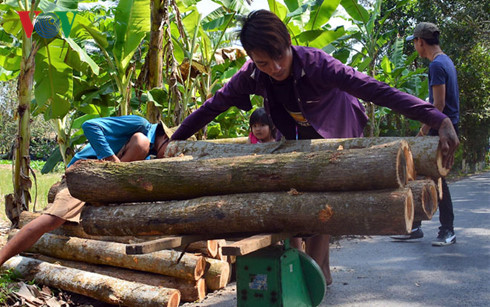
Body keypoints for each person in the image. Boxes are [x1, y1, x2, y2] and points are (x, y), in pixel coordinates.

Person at [163, 10, 460, 284]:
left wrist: (438, 118)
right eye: (265, 63)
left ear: (288, 43)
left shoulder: (318, 64)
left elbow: (378, 90)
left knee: (322, 192)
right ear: (253, 58)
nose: (276, 68)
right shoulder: (252, 75)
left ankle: (315, 275)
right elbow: (212, 106)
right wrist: (174, 140)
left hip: (338, 124)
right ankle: (322, 271)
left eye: (280, 57)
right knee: (296, 190)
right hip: (298, 133)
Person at [0, 115, 173, 266]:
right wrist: (111, 160)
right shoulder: (141, 125)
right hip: (84, 176)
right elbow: (90, 125)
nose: (170, 155)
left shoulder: (152, 154)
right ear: (164, 136)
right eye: (172, 149)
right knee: (52, 219)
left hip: (107, 184)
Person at [392, 22, 459, 246]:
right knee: (422, 175)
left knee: (439, 178)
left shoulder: (437, 66)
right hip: (444, 128)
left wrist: (424, 130)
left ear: (421, 41)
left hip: (440, 131)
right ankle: (416, 227)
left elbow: (438, 105)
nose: (414, 47)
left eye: (414, 43)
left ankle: (447, 230)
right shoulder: (446, 61)